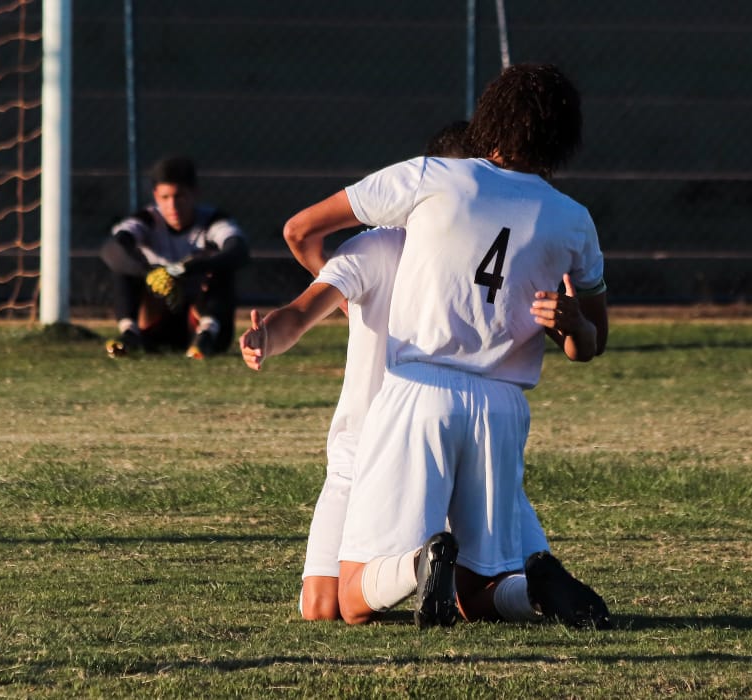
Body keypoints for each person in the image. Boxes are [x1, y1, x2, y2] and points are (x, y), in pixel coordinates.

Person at [281, 64, 610, 629]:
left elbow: (304, 225)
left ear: (492, 121)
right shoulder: (574, 220)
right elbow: (592, 344)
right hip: (503, 408)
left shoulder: (436, 176)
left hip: (419, 393)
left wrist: (343, 297)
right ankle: (533, 591)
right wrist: (573, 327)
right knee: (479, 591)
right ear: (564, 139)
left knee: (354, 597)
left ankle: (417, 563)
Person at [101, 156, 250, 359]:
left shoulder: (213, 220)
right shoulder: (147, 219)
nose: (172, 205)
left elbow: (238, 251)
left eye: (180, 196)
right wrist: (150, 273)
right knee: (122, 267)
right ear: (155, 196)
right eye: (165, 197)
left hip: (198, 319)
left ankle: (206, 336)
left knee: (222, 268)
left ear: (194, 193)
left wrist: (186, 269)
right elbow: (111, 249)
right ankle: (129, 333)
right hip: (157, 318)